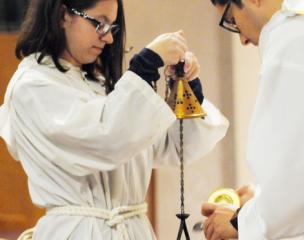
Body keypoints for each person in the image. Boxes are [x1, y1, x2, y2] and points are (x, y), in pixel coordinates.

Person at [0, 0, 230, 239]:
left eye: (112, 27)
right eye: (100, 24)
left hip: (133, 229)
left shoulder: (100, 86)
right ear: (62, 15)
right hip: (79, 232)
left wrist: (186, 89)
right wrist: (146, 65)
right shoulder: (33, 87)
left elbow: (170, 147)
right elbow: (104, 140)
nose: (108, 38)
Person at [201, 0, 304, 239]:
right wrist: (263, 200)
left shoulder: (294, 34)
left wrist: (243, 222)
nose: (242, 39)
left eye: (231, 19)